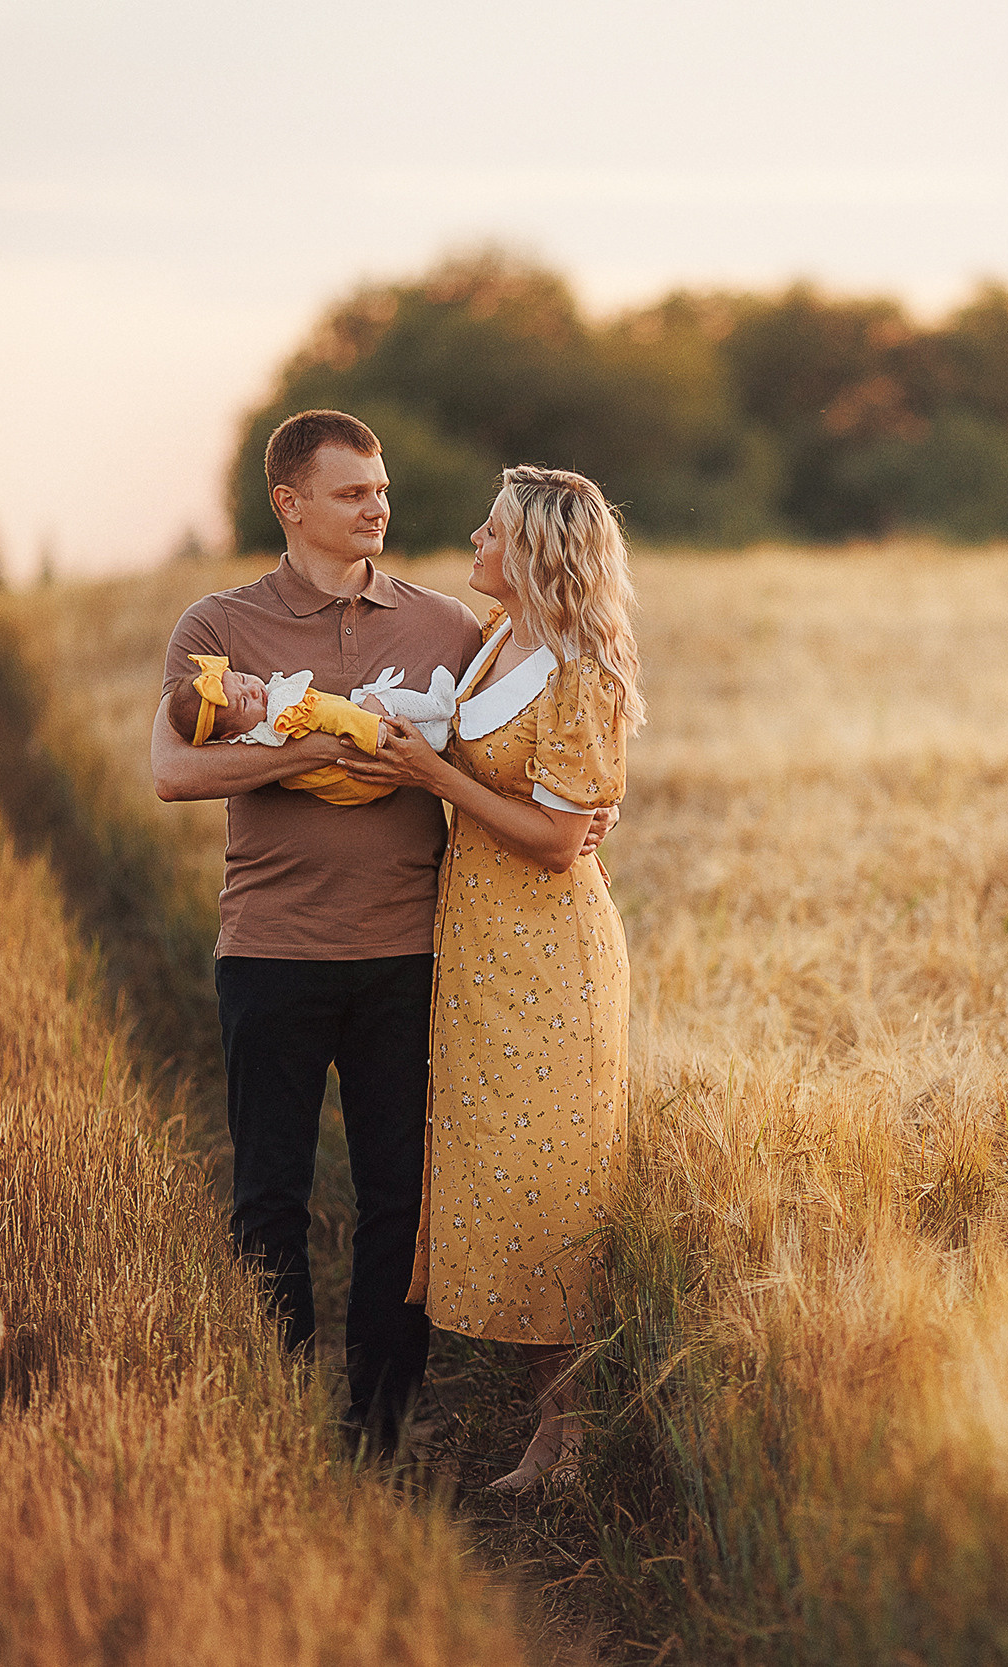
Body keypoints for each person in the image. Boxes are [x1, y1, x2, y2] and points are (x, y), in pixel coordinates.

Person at [151, 411, 609, 1456]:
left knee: (395, 1198)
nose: (379, 506)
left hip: (412, 952)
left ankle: (379, 1428)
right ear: (290, 502)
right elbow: (174, 768)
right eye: (354, 491)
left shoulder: (448, 625)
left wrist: (583, 806)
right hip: (268, 947)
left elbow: (531, 734)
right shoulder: (218, 624)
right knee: (268, 1190)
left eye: (382, 488)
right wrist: (306, 738)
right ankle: (274, 1407)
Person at [383, 464, 641, 1493]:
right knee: (508, 1172)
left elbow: (557, 842)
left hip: (550, 956)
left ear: (531, 549)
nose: (472, 542)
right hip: (483, 954)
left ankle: (565, 1436)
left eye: (490, 532)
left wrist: (433, 776)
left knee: (555, 1184)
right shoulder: (500, 643)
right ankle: (549, 1419)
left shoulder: (581, 667)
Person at [165, 652, 459, 806]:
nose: (253, 690)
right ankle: (437, 707)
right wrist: (370, 729)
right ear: (229, 735)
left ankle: (432, 735)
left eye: (242, 679)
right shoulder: (281, 710)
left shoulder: (253, 741)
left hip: (354, 787)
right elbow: (328, 714)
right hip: (368, 767)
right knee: (380, 699)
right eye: (243, 702)